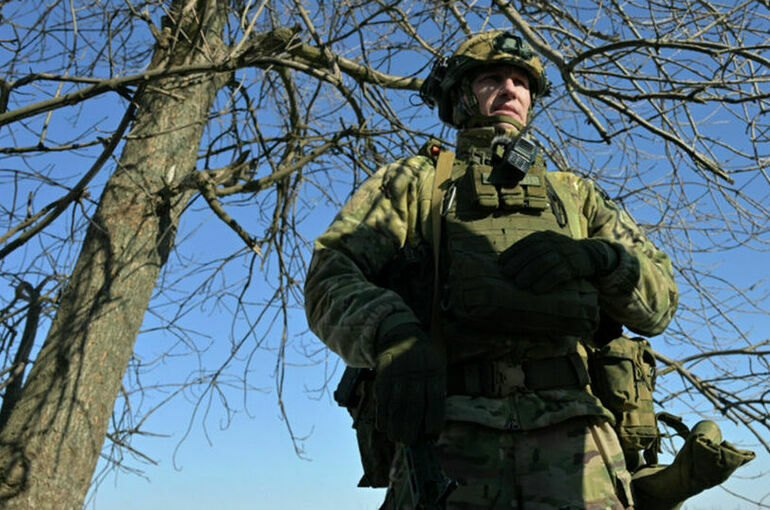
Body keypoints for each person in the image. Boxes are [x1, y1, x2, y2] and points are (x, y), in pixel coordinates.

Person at [304, 30, 679, 509]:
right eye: (492, 78)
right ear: (460, 95)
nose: (510, 89)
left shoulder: (576, 195)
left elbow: (660, 304)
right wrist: (392, 333)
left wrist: (602, 258)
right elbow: (330, 276)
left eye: (522, 82)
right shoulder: (415, 183)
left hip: (578, 443)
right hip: (450, 435)